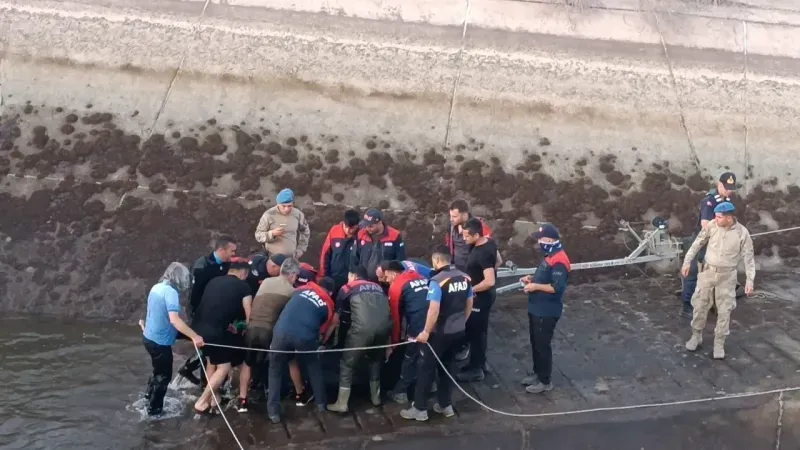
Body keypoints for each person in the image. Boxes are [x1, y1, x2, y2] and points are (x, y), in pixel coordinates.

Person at [400, 245, 472, 422]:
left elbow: (434, 309)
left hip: (439, 333)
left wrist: (426, 331)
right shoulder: (465, 277)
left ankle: (420, 408)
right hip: (458, 330)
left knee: (426, 369)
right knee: (448, 367)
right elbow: (469, 303)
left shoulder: (437, 281)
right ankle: (445, 405)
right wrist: (462, 321)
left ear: (437, 260)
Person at [682, 202, 755, 360]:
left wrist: (750, 280)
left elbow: (749, 258)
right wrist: (687, 261)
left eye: (719, 217)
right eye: (715, 216)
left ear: (729, 218)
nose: (715, 219)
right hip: (708, 273)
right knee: (699, 306)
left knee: (724, 311)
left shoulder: (742, 233)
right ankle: (696, 336)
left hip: (727, 277)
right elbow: (697, 243)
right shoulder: (712, 226)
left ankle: (719, 344)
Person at [267, 277, 338, 423]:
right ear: (330, 293)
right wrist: (321, 343)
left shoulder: (301, 290)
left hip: (281, 331)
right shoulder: (328, 305)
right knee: (313, 367)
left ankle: (273, 413)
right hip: (305, 336)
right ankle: (321, 404)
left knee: (275, 370)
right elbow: (323, 330)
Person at [141, 262, 204, 416]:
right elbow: (175, 320)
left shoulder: (156, 287)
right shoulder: (170, 293)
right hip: (160, 342)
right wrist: (195, 336)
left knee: (158, 371)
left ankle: (148, 397)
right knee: (164, 376)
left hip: (149, 337)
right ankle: (154, 411)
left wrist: (191, 334)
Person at [328, 266, 393, 413]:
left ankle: (342, 403)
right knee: (375, 361)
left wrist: (327, 339)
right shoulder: (379, 288)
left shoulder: (347, 288)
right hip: (384, 329)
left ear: (353, 275)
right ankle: (376, 398)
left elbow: (337, 318)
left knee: (347, 364)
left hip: (362, 330)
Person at [192, 259, 253, 414]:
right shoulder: (244, 286)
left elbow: (213, 307)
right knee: (224, 367)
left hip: (197, 329)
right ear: (243, 273)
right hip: (215, 332)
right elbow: (249, 315)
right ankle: (202, 402)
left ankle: (214, 398)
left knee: (211, 362)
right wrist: (247, 331)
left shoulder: (213, 281)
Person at [242, 257, 303, 410]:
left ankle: (242, 399)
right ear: (293, 275)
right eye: (296, 276)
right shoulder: (293, 292)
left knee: (247, 364)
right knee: (291, 360)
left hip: (251, 327)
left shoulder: (266, 282)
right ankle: (300, 394)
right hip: (269, 331)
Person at [178, 235, 237, 386]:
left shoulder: (226, 265)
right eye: (232, 251)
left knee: (212, 344)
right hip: (200, 310)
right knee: (207, 342)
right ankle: (204, 382)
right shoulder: (202, 265)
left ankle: (190, 369)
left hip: (216, 310)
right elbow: (194, 294)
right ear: (221, 250)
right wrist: (198, 314)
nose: (234, 254)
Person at [519, 223, 571, 394]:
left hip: (546, 310)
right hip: (536, 307)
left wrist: (535, 286)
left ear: (549, 240)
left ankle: (545, 380)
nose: (539, 242)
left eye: (540, 239)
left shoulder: (559, 260)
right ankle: (537, 373)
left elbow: (556, 287)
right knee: (535, 342)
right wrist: (532, 279)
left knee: (542, 345)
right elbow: (544, 277)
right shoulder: (550, 255)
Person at [680, 172, 738, 318]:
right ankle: (687, 306)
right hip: (703, 241)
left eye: (731, 188)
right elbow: (705, 225)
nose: (729, 191)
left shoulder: (727, 201)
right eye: (726, 188)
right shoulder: (709, 201)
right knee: (693, 272)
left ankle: (710, 302)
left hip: (718, 243)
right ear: (719, 184)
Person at [381, 260, 431, 403]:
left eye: (386, 276)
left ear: (393, 273)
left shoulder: (397, 286)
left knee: (410, 356)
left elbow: (396, 320)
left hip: (418, 324)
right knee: (429, 355)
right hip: (435, 321)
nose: (386, 280)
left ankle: (401, 392)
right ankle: (431, 385)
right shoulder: (420, 276)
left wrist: (394, 344)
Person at [456, 218, 498, 382]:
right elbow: (498, 261)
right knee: (479, 331)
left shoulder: (482, 253)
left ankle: (476, 369)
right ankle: (479, 362)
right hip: (483, 296)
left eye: (467, 236)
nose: (464, 239)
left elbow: (490, 281)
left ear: (476, 235)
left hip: (480, 298)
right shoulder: (490, 243)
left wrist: (472, 289)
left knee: (476, 332)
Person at [351, 208, 406, 283]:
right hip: (364, 282)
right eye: (366, 225)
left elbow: (401, 260)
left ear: (380, 223)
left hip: (385, 283)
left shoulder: (395, 235)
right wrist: (355, 274)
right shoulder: (361, 234)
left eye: (371, 226)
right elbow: (354, 257)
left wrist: (387, 270)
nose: (367, 228)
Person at [445, 200, 502, 271]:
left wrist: (485, 273)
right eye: (450, 216)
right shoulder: (451, 227)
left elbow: (496, 258)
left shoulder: (479, 227)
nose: (451, 219)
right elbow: (448, 246)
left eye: (454, 216)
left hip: (475, 271)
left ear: (465, 215)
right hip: (457, 270)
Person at [255, 188, 310, 259]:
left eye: (289, 206)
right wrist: (272, 234)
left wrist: (301, 249)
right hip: (271, 259)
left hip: (291, 259)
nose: (286, 209)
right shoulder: (269, 215)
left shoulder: (298, 214)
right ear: (278, 204)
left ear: (293, 204)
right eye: (283, 206)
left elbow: (305, 231)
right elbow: (258, 236)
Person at [320, 209, 361, 294]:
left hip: (352, 281)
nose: (348, 230)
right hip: (333, 277)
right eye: (346, 227)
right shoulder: (334, 231)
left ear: (357, 226)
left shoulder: (361, 235)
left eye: (352, 228)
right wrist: (323, 275)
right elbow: (325, 254)